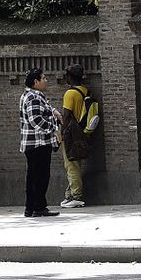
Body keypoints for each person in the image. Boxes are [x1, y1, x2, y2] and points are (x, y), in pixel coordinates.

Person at [18, 68, 60, 217]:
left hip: (33, 143)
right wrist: (54, 128)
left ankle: (31, 208)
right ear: (36, 82)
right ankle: (38, 207)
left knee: (33, 176)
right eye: (44, 78)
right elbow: (36, 120)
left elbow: (42, 111)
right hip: (38, 143)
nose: (46, 80)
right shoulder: (33, 97)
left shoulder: (31, 95)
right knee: (40, 176)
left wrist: (53, 111)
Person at [59, 63, 95, 209]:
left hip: (71, 134)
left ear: (69, 77)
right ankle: (70, 194)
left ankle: (76, 196)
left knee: (71, 164)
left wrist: (60, 133)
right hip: (82, 132)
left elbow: (66, 115)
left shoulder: (70, 93)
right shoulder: (85, 91)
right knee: (75, 164)